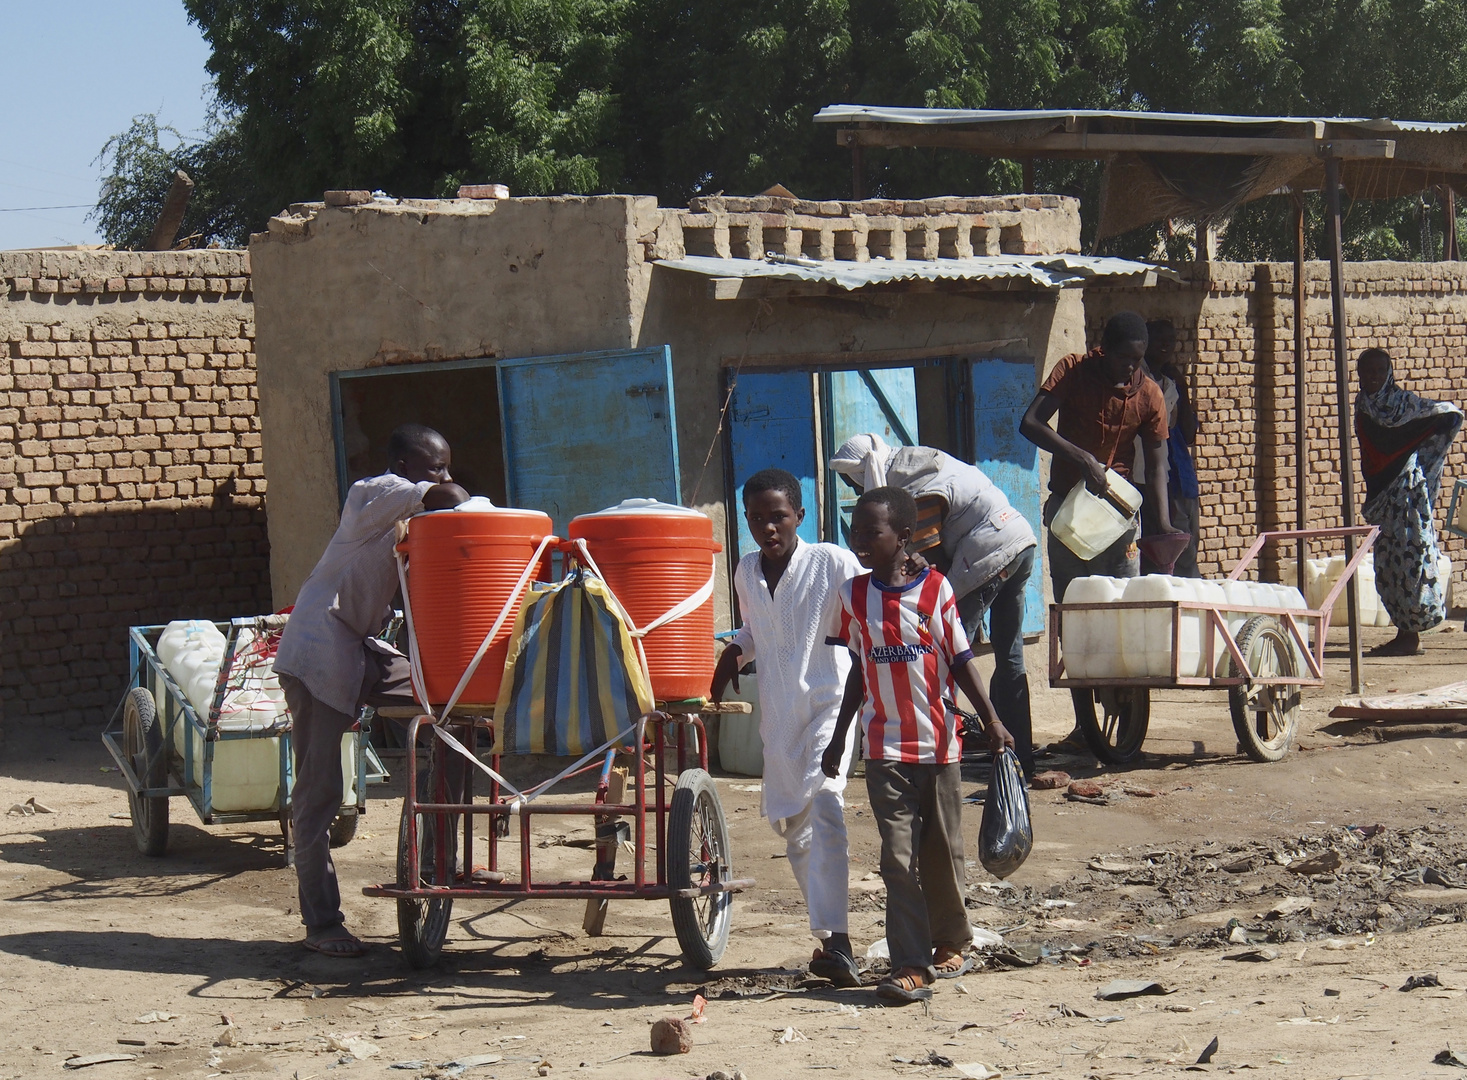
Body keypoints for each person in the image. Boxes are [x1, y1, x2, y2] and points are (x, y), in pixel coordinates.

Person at [274, 423, 469, 957]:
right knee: (319, 795)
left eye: (447, 465)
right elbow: (451, 497)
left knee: (451, 708)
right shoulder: (373, 494)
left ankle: (438, 844)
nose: (445, 476)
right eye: (436, 465)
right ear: (405, 468)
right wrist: (481, 511)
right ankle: (321, 924)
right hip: (318, 649)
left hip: (359, 647)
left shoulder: (406, 523)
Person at [820, 487, 1013, 1004]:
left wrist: (992, 719)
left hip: (940, 746)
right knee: (897, 859)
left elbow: (960, 659)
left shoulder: (936, 591)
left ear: (902, 538)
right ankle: (911, 963)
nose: (859, 541)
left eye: (871, 532)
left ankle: (952, 941)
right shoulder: (852, 596)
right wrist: (841, 738)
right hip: (884, 749)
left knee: (942, 852)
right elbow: (858, 673)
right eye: (854, 531)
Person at [710, 469, 865, 986]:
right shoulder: (746, 571)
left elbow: (869, 606)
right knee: (796, 828)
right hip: (779, 719)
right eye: (756, 518)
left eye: (777, 516)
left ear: (800, 515)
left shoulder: (831, 562)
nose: (767, 528)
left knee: (825, 807)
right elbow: (756, 629)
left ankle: (840, 941)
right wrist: (734, 652)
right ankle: (827, 940)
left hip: (830, 706)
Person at [828, 434, 1038, 778]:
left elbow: (930, 561)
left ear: (863, 469)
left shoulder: (911, 486)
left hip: (990, 551)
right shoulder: (912, 460)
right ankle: (1019, 758)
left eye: (852, 481)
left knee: (947, 652)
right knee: (1009, 654)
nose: (855, 490)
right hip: (1018, 539)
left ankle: (941, 749)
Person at [1019, 311, 1181, 749]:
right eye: (1125, 358)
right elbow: (1030, 422)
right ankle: (1083, 725)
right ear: (1103, 349)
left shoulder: (1149, 395)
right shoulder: (1074, 371)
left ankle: (1127, 723)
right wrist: (1082, 458)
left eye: (1139, 360)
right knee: (1076, 617)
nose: (1132, 368)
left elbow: (1159, 462)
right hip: (1069, 515)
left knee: (1124, 615)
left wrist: (1162, 525)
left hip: (1119, 517)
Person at [1354, 348, 1463, 656]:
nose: (1373, 377)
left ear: (1388, 373)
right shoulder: (1364, 405)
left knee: (1410, 560)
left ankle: (1410, 635)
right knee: (1388, 564)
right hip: (1384, 496)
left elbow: (1438, 416)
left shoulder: (1404, 404)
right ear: (1359, 375)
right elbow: (1379, 445)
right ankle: (1403, 632)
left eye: (1379, 371)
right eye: (1367, 372)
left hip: (1407, 496)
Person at [1136, 320, 1201, 576]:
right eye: (1159, 339)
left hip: (1180, 479)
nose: (1166, 345)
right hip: (1148, 481)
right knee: (1160, 556)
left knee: (1186, 552)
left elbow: (1188, 434)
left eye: (1170, 340)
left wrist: (1183, 386)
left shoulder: (1171, 383)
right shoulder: (1138, 380)